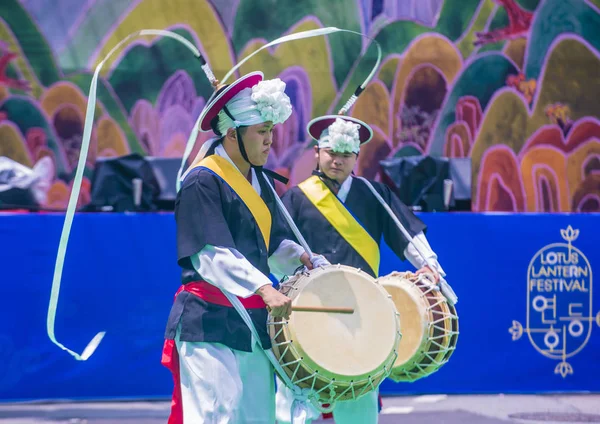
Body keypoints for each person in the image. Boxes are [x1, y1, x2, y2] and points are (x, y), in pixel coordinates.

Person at [161, 71, 329, 424]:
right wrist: (264, 287)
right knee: (215, 416)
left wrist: (300, 257)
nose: (270, 141)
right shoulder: (201, 181)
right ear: (232, 133)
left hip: (252, 319)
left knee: (258, 418)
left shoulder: (259, 181)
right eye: (262, 132)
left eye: (271, 132)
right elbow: (209, 252)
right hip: (209, 322)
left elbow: (272, 246)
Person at [275, 115, 446, 424]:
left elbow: (406, 234)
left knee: (358, 401)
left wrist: (429, 264)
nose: (337, 160)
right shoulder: (297, 198)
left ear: (356, 156)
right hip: (309, 311)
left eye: (345, 155)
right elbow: (275, 247)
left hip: (362, 312)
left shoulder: (375, 195)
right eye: (331, 152)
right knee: (297, 402)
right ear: (317, 152)